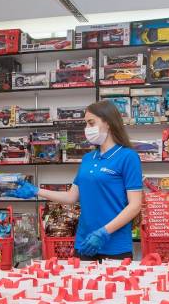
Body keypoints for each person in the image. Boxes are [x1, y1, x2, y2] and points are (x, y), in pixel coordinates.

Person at [38, 101, 143, 261]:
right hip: (85, 244)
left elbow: (135, 206)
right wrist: (35, 190)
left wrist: (103, 232)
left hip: (115, 246)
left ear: (108, 123)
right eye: (86, 124)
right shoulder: (88, 158)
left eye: (91, 123)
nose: (87, 128)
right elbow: (71, 197)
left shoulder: (128, 157)